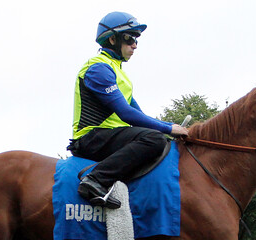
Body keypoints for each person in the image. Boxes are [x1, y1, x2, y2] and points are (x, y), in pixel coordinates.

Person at [69, 11, 189, 209]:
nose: (134, 45)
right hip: (92, 138)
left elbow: (138, 116)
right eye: (130, 38)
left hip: (111, 136)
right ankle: (95, 180)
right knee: (154, 139)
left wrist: (170, 126)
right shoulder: (98, 69)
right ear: (113, 39)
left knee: (160, 137)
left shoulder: (118, 72)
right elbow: (126, 114)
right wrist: (167, 130)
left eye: (136, 40)